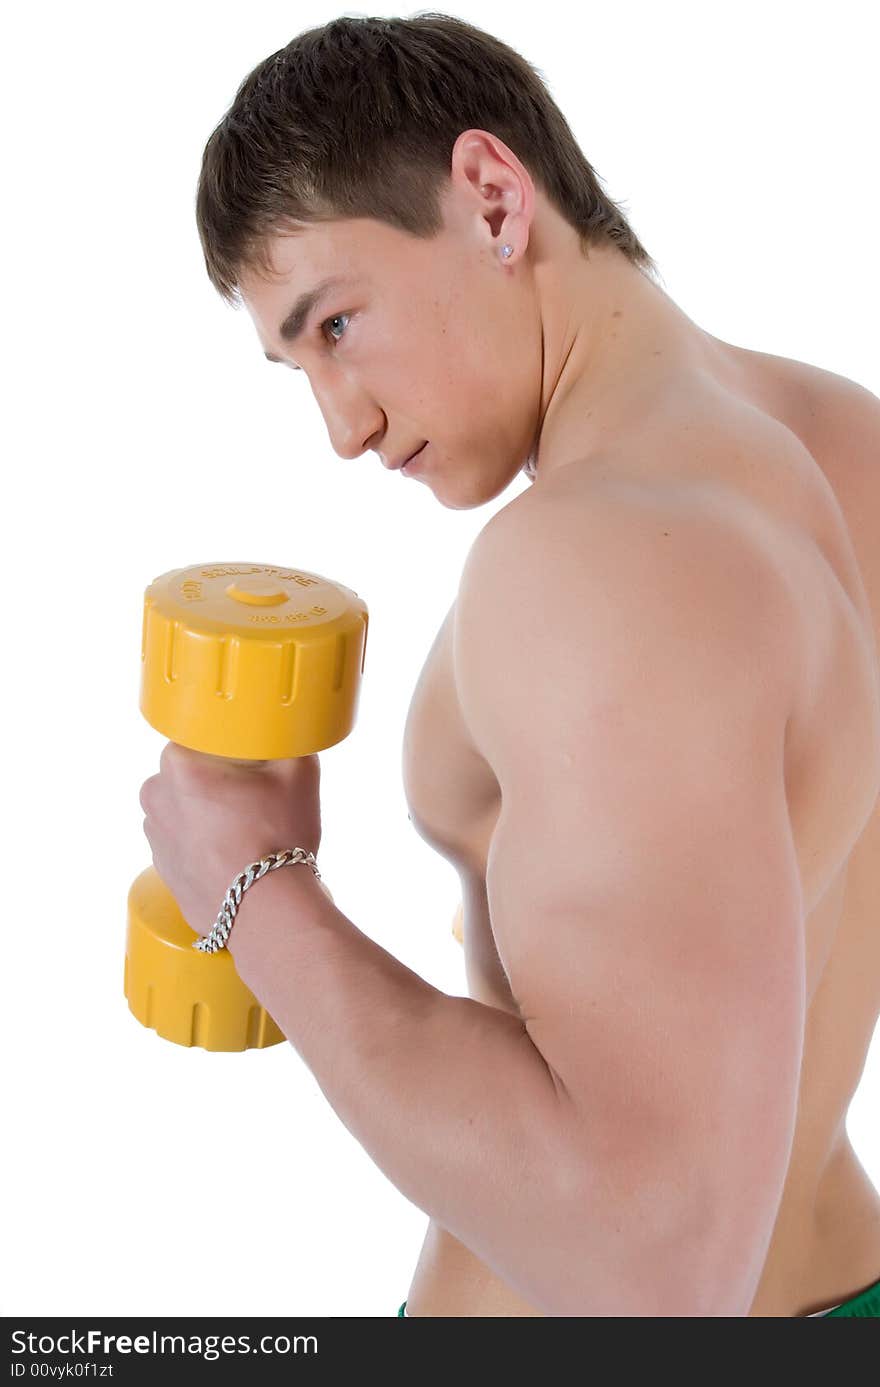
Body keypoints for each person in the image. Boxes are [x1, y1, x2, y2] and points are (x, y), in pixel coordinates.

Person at [194, 14, 880, 1317]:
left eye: (335, 325)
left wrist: (252, 887)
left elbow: (657, 1267)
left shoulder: (591, 562)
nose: (340, 430)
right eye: (298, 368)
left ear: (494, 202)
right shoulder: (852, 442)